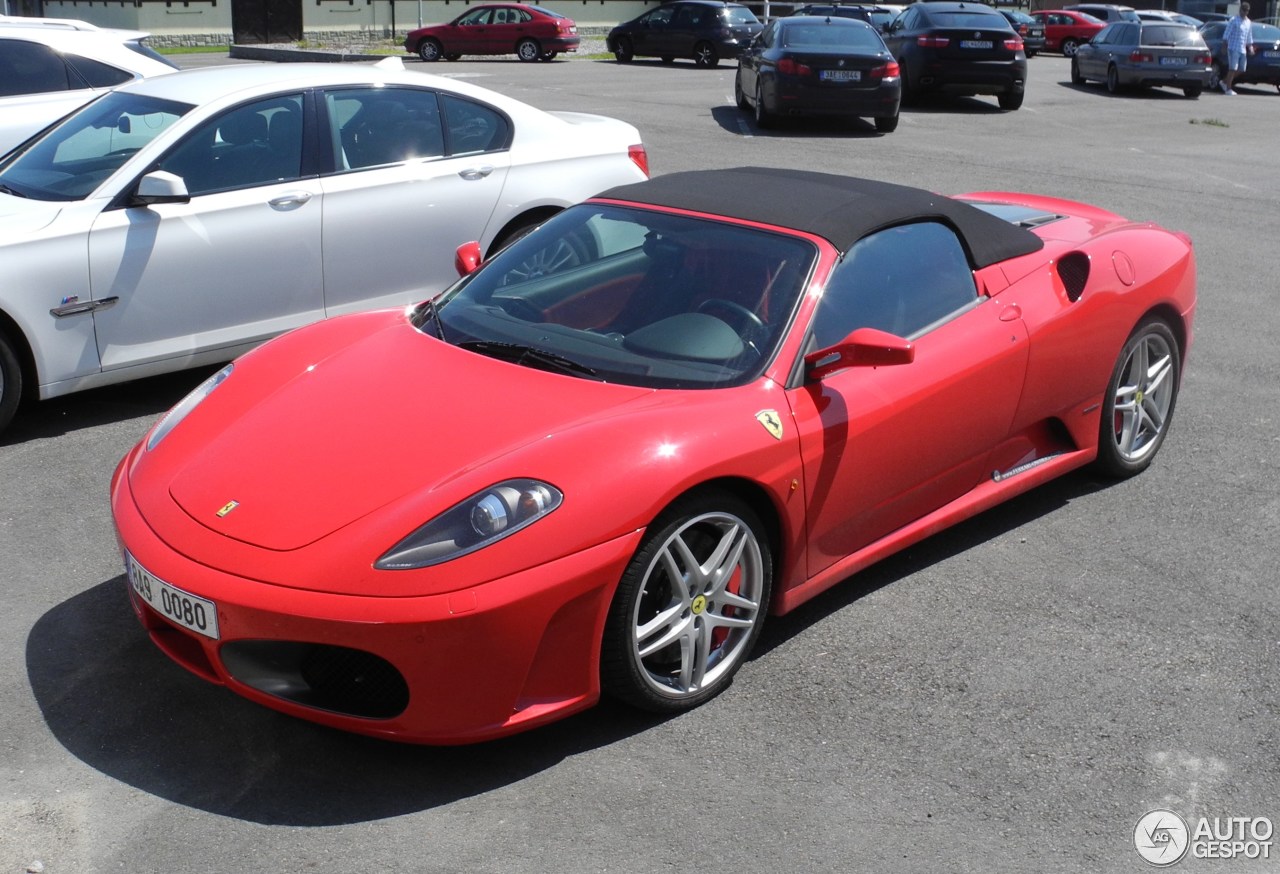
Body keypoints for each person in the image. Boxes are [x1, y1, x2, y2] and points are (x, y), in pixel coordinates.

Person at [1221, 1, 1255, 95]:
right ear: (1240, 10)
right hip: (1233, 48)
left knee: (1241, 69)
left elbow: (1249, 37)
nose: (1245, 12)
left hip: (1242, 49)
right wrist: (1224, 45)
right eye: (1243, 10)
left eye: (1247, 11)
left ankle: (1224, 82)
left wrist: (1250, 48)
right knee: (1233, 68)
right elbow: (1226, 33)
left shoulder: (1248, 22)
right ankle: (1228, 89)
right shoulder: (1234, 20)